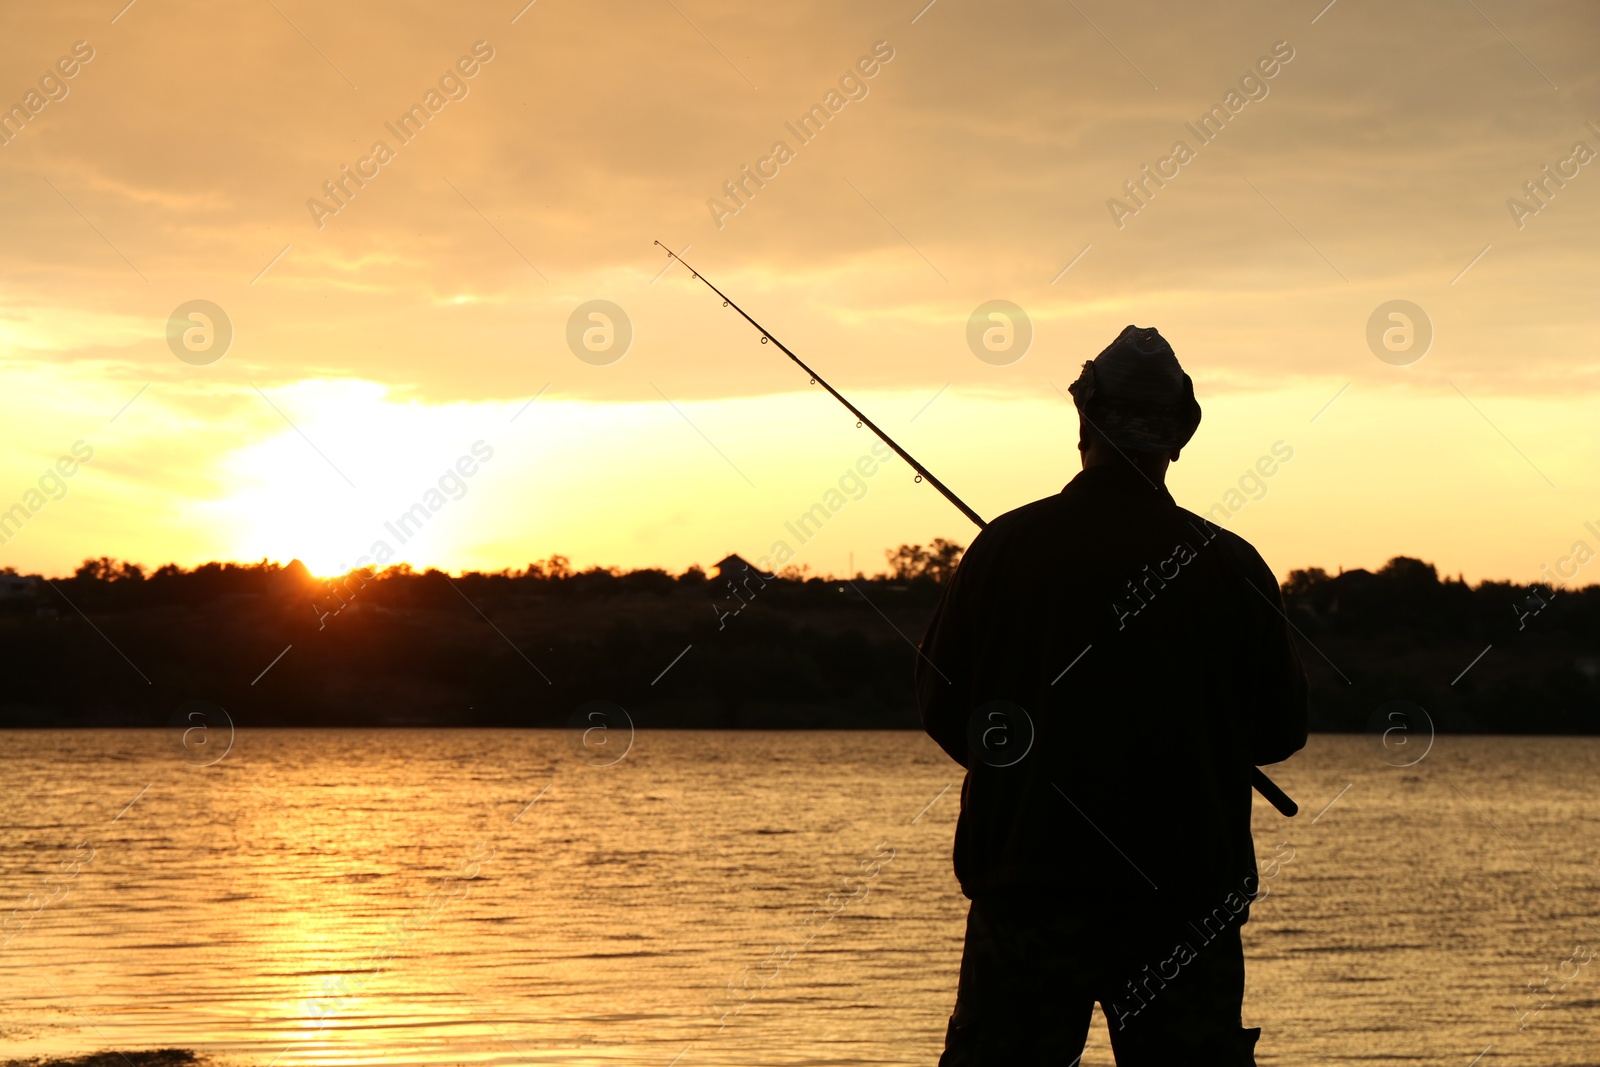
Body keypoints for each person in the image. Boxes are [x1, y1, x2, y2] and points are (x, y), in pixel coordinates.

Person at [916, 325, 1309, 1065]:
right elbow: (1282, 729)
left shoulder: (1004, 548)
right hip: (1185, 904)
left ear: (1082, 423)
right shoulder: (1232, 565)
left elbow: (942, 709)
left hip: (1027, 892)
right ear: (1179, 435)